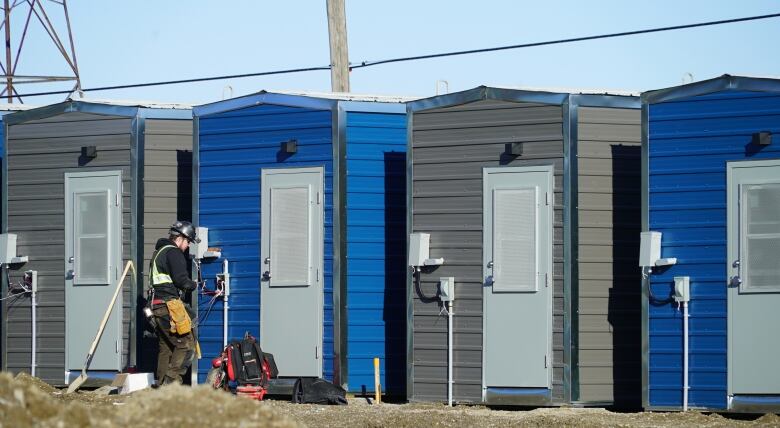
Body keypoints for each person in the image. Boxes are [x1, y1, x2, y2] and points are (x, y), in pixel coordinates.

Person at [148, 220, 200, 385]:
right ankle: (170, 385)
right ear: (181, 238)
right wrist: (194, 284)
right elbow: (182, 281)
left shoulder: (159, 252)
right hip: (167, 306)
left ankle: (161, 383)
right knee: (186, 346)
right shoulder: (174, 252)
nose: (188, 246)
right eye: (188, 242)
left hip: (155, 307)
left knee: (167, 348)